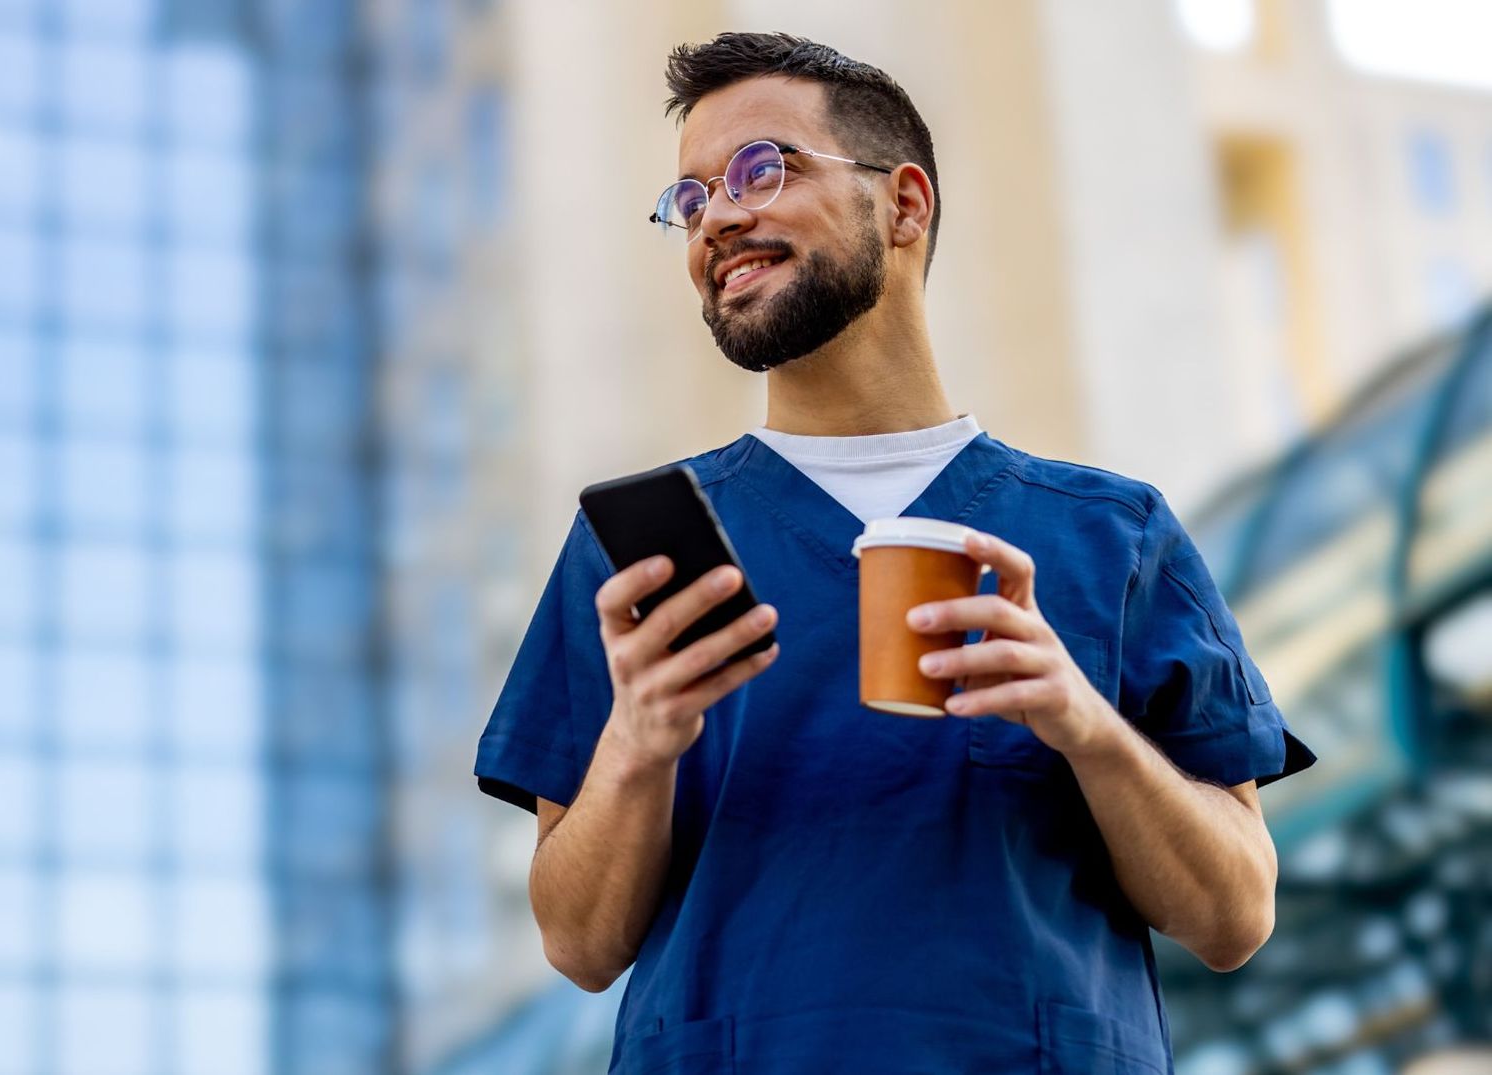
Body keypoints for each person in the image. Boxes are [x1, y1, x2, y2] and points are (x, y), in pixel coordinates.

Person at [471, 31, 1318, 1074]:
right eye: (688, 200)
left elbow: (1236, 915)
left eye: (760, 171)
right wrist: (639, 741)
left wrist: (1084, 727)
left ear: (904, 204)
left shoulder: (1114, 536)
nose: (718, 219)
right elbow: (578, 942)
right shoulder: (634, 559)